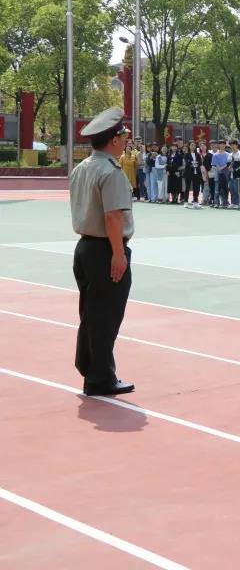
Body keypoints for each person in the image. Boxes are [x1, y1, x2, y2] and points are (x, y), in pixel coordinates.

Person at [69, 108, 135, 396]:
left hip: (84, 247)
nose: (125, 140)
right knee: (105, 316)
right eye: (123, 135)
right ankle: (100, 378)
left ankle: (88, 365)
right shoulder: (111, 171)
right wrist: (118, 254)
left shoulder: (81, 168)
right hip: (105, 249)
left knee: (91, 313)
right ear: (113, 140)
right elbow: (112, 218)